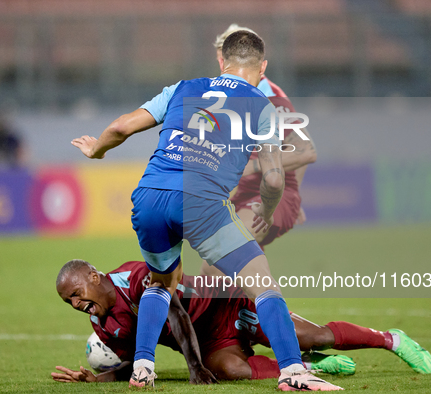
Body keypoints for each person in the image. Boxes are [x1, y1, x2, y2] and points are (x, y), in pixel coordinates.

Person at [72, 31, 341, 391]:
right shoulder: (261, 106)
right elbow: (275, 179)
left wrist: (97, 151)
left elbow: (121, 126)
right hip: (199, 201)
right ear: (262, 67)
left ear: (221, 62)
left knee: (161, 283)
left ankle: (142, 367)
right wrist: (268, 207)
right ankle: (293, 372)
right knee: (263, 285)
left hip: (149, 196)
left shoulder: (183, 88)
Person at [51, 259, 431, 383]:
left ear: (94, 277)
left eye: (76, 293)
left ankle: (391, 340)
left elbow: (175, 312)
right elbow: (129, 363)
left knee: (313, 335)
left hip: (227, 303)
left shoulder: (135, 276)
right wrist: (96, 378)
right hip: (212, 340)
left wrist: (194, 366)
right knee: (233, 371)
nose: (75, 303)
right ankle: (309, 367)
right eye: (69, 301)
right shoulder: (104, 327)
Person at [201, 24, 315, 280]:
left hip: (269, 195)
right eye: (223, 58)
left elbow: (305, 150)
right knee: (224, 273)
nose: (226, 65)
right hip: (240, 196)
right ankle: (257, 316)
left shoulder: (271, 97)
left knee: (219, 262)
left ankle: (276, 316)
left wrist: (294, 197)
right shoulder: (226, 96)